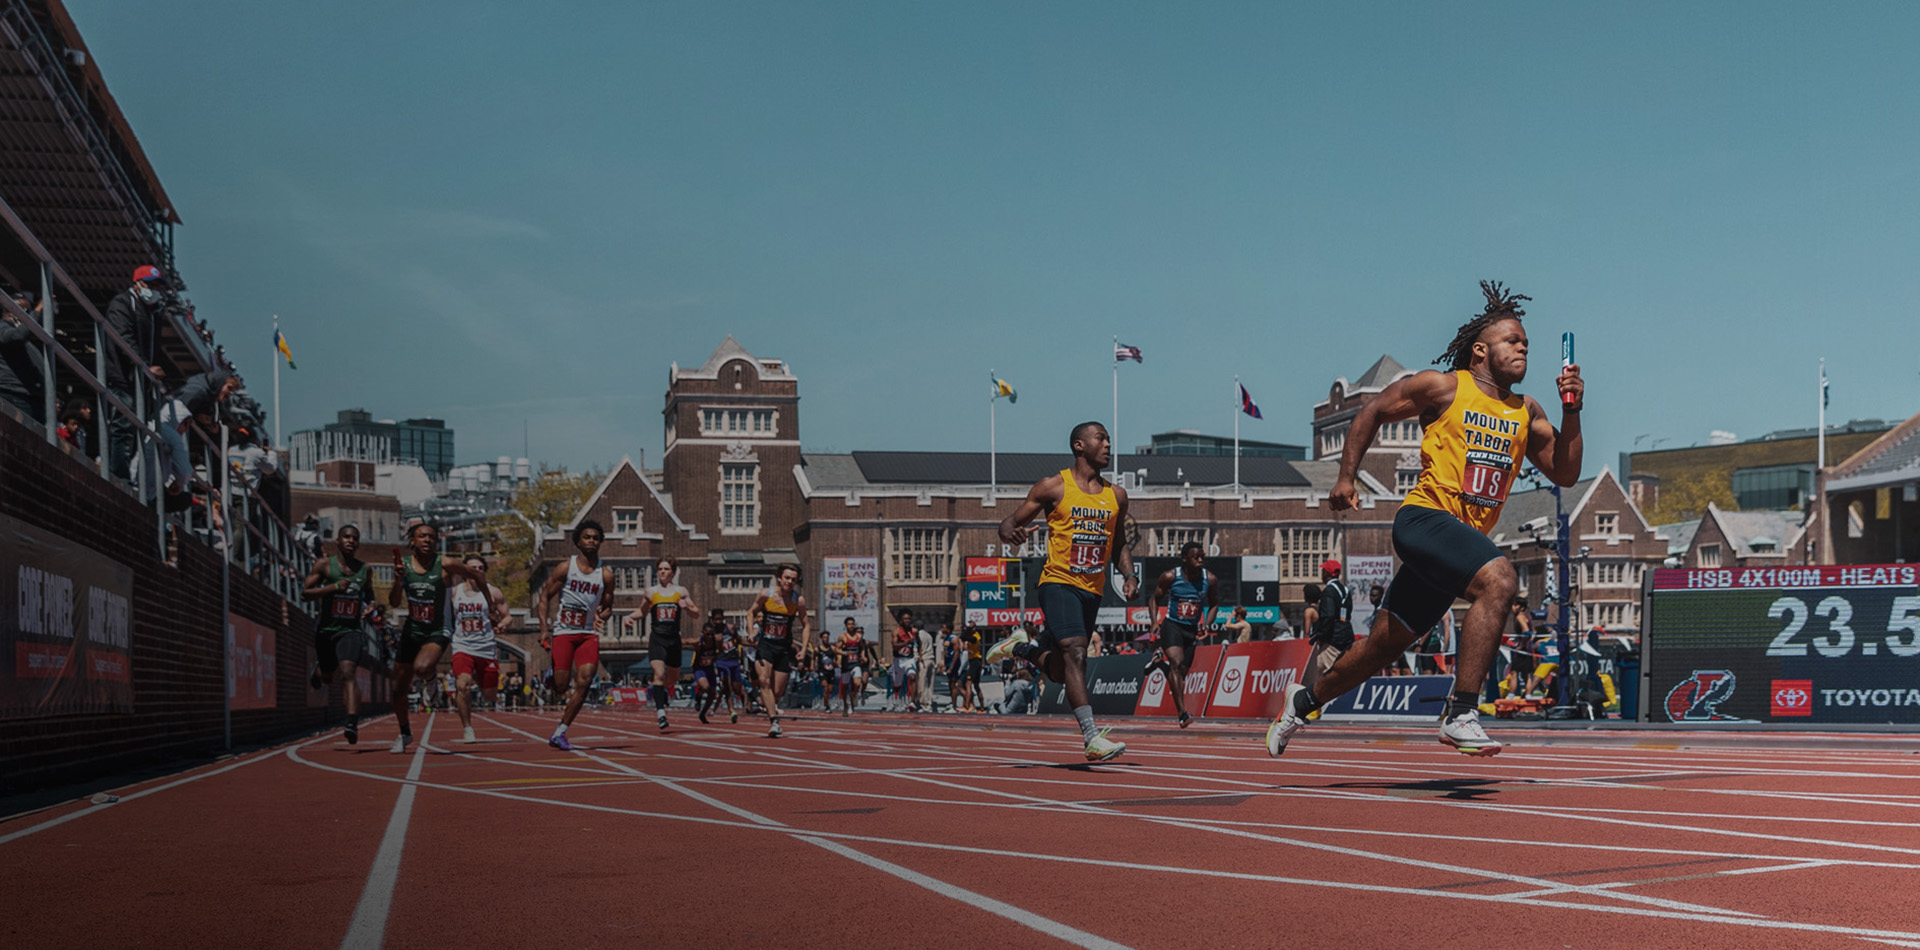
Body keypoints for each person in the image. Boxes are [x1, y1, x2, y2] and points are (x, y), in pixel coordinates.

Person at [1266, 281, 1583, 758]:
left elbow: (1565, 471)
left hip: (1458, 546)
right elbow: (1372, 410)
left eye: (1526, 345)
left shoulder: (1526, 411)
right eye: (1511, 340)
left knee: (1381, 648)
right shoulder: (1445, 387)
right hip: (1423, 520)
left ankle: (1303, 701)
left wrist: (1572, 411)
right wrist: (1346, 477)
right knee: (1500, 580)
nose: (1522, 348)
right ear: (1480, 350)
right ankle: (1461, 712)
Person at [985, 421, 1136, 762]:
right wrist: (1012, 534)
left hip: (1091, 590)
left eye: (1110, 439)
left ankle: (1020, 648)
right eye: (1101, 438)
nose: (1109, 445)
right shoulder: (1054, 487)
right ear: (1079, 446)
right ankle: (1092, 737)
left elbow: (1121, 544)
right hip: (1058, 582)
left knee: (1059, 669)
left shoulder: (1117, 496)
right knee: (1077, 653)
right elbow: (1008, 524)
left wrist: (1128, 575)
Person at [387, 522, 491, 753]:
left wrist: (491, 604)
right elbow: (394, 602)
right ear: (412, 541)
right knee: (397, 689)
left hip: (438, 629)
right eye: (422, 536)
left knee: (423, 666)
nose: (427, 540)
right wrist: (397, 580)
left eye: (431, 537)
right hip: (412, 629)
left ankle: (431, 678)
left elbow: (477, 576)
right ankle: (404, 733)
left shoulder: (446, 564)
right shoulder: (402, 565)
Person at [538, 520, 615, 750]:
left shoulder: (606, 575)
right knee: (561, 687)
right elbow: (544, 597)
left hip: (588, 633)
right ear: (578, 542)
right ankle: (552, 676)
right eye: (587, 537)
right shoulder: (566, 568)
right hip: (563, 631)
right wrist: (544, 628)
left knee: (585, 681)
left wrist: (604, 615)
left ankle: (560, 732)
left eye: (595, 538)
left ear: (600, 542)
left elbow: (609, 606)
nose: (591, 541)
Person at [301, 523, 376, 744]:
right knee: (327, 675)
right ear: (338, 541)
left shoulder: (365, 570)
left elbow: (369, 593)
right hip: (326, 630)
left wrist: (370, 605)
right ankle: (319, 672)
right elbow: (305, 593)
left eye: (354, 538)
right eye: (346, 537)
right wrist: (333, 588)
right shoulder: (324, 565)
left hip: (350, 630)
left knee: (348, 672)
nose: (351, 541)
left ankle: (352, 723)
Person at [102, 266, 168, 480]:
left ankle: (129, 474)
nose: (155, 290)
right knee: (123, 426)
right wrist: (143, 366)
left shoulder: (153, 311)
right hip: (123, 375)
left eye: (158, 285)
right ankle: (118, 474)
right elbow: (123, 338)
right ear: (137, 284)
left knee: (140, 429)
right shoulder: (122, 304)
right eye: (151, 284)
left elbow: (154, 346)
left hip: (142, 381)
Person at [1146, 541, 1219, 728]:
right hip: (1172, 625)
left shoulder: (1209, 579)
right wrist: (1155, 622)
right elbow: (1154, 599)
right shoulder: (1170, 576)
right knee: (1177, 664)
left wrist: (1207, 624)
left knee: (1180, 674)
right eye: (1196, 557)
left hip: (1191, 629)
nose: (1200, 560)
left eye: (1202, 556)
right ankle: (1182, 714)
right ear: (1184, 559)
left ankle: (1159, 662)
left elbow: (1214, 604)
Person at [628, 556, 700, 732]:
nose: (662, 572)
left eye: (666, 569)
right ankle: (661, 713)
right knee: (658, 674)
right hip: (657, 639)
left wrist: (687, 607)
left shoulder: (681, 591)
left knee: (673, 678)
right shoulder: (651, 592)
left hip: (674, 639)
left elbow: (696, 613)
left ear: (673, 572)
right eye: (660, 569)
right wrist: (629, 617)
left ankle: (659, 692)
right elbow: (642, 611)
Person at [449, 554, 510, 743]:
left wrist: (502, 625)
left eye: (480, 568)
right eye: (472, 568)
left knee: (490, 695)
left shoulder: (494, 592)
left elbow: (507, 615)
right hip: (462, 645)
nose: (477, 571)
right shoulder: (454, 592)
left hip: (486, 647)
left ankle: (476, 676)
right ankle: (467, 728)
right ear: (465, 571)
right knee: (462, 685)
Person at [748, 564, 811, 737]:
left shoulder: (798, 600)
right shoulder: (765, 595)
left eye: (793, 579)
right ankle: (774, 722)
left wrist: (804, 649)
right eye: (787, 578)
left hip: (783, 647)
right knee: (764, 680)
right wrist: (751, 632)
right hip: (765, 644)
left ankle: (763, 700)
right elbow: (751, 612)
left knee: (778, 691)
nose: (790, 582)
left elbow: (806, 625)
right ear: (779, 578)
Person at [1303, 560, 1354, 691]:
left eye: (1323, 571)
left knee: (1324, 674)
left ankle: (1325, 707)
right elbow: (1348, 612)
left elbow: (1328, 616)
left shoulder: (1328, 591)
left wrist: (1321, 636)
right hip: (1347, 635)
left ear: (1327, 573)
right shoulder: (1346, 590)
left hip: (1332, 639)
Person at [0, 288, 44, 423]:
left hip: (29, 397)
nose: (28, 316)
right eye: (25, 312)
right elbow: (17, 336)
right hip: (13, 395)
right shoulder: (2, 327)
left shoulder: (26, 342)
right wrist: (38, 311)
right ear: (10, 310)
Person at [711, 609, 747, 723]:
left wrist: (751, 644)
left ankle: (745, 706)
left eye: (720, 619)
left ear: (723, 618)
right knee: (727, 685)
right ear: (712, 620)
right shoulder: (712, 633)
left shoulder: (731, 628)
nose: (718, 621)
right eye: (716, 619)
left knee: (737, 688)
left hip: (733, 661)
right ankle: (732, 710)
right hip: (722, 661)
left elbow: (738, 640)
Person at [832, 620, 866, 716]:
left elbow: (862, 647)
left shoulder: (858, 637)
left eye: (852, 624)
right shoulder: (842, 637)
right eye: (849, 624)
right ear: (846, 626)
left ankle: (853, 695)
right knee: (844, 686)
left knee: (857, 682)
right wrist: (845, 653)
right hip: (846, 665)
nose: (851, 626)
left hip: (856, 663)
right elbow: (836, 649)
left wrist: (863, 656)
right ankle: (846, 705)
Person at [887, 611, 918, 711]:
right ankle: (895, 697)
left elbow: (919, 642)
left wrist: (920, 654)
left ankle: (912, 701)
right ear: (901, 620)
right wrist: (906, 643)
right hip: (898, 660)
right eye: (905, 619)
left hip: (909, 659)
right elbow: (894, 646)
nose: (908, 621)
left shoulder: (914, 631)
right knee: (897, 684)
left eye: (909, 619)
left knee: (912, 677)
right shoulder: (896, 632)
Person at [944, 624, 972, 713]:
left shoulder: (954, 639)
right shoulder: (946, 638)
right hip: (948, 663)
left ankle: (959, 704)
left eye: (943, 627)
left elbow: (956, 653)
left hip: (955, 665)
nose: (942, 629)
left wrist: (952, 667)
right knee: (950, 684)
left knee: (955, 685)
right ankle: (954, 703)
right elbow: (945, 652)